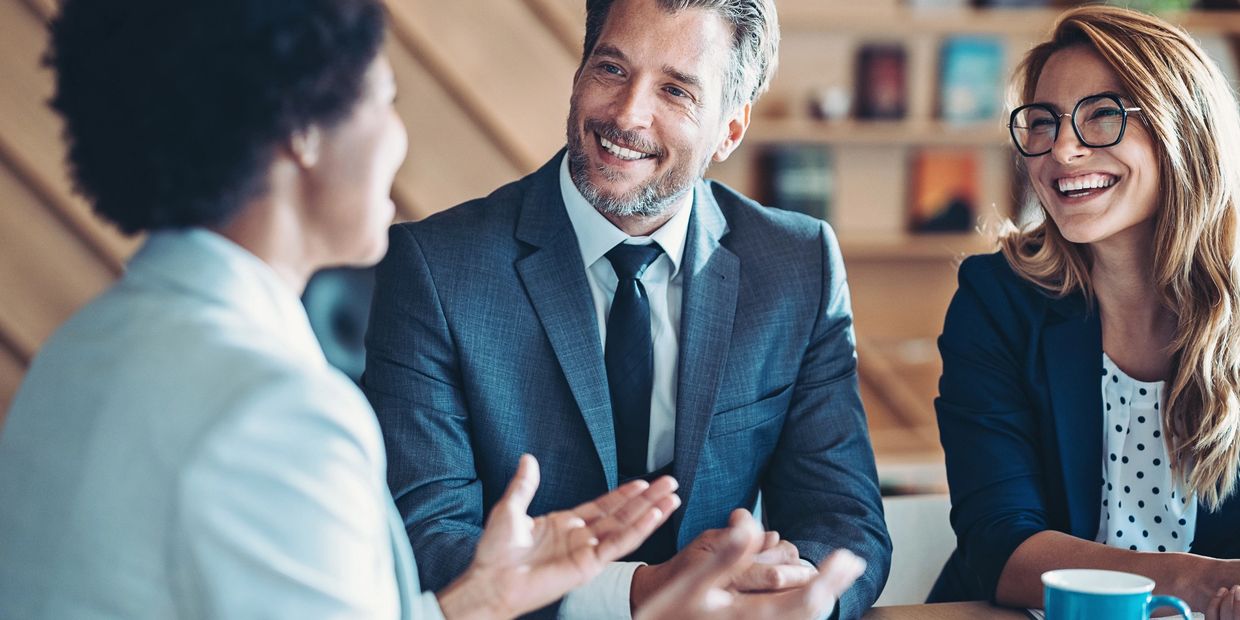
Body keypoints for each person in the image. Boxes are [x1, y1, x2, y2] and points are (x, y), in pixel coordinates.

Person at [0, 1, 683, 618]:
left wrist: (479, 599)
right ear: (303, 128)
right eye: (386, 98)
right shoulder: (276, 414)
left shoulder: (76, 351)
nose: (396, 138)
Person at [362, 0, 891, 617]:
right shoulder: (434, 268)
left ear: (730, 130)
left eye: (675, 90)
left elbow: (845, 520)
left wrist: (782, 594)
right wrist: (641, 595)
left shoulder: (799, 265)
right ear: (580, 71)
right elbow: (423, 539)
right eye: (611, 69)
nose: (627, 114)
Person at [930, 6, 1240, 617]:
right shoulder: (997, 300)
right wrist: (1198, 582)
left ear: (1185, 130)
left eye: (1101, 116)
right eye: (1042, 123)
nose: (1062, 151)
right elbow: (999, 544)